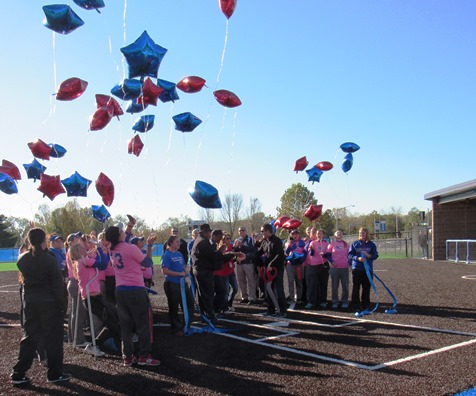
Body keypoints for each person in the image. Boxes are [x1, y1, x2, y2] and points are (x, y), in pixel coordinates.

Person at [11, 228, 71, 385]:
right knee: (53, 340)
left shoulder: (23, 259)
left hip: (31, 302)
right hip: (49, 303)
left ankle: (18, 372)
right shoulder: (49, 259)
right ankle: (54, 374)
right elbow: (58, 286)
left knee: (29, 338)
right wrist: (63, 305)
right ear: (44, 241)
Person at [106, 224, 160, 367]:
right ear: (119, 235)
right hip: (135, 289)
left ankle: (128, 357)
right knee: (143, 324)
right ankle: (144, 355)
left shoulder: (113, 249)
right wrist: (148, 246)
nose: (124, 231)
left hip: (120, 290)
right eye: (122, 230)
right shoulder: (130, 248)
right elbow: (147, 263)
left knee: (125, 326)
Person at [191, 224, 237, 324]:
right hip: (204, 271)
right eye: (209, 232)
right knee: (208, 294)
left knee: (204, 294)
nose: (209, 234)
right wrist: (222, 252)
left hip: (202, 270)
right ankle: (210, 315)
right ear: (205, 233)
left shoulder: (201, 241)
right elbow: (213, 257)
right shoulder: (203, 242)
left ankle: (206, 315)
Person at [161, 235, 195, 336]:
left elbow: (183, 265)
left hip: (182, 283)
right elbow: (164, 271)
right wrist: (179, 274)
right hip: (172, 284)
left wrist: (186, 270)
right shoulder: (166, 255)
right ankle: (175, 328)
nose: (179, 243)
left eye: (179, 242)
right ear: (170, 243)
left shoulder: (179, 254)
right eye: (176, 242)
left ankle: (186, 324)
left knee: (189, 303)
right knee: (174, 307)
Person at [256, 223, 287, 317]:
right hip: (268, 270)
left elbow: (280, 254)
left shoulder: (277, 241)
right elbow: (259, 253)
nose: (262, 233)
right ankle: (271, 310)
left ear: (268, 231)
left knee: (278, 289)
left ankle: (282, 311)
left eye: (263, 231)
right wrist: (246, 256)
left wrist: (271, 264)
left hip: (277, 268)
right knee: (268, 289)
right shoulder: (264, 241)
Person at [348, 227, 379, 313]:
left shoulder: (371, 244)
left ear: (367, 234)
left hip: (367, 270)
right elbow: (350, 255)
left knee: (366, 288)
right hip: (357, 269)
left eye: (363, 233)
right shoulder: (355, 244)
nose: (362, 234)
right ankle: (355, 305)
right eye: (360, 233)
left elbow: (375, 255)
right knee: (356, 288)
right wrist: (357, 258)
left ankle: (365, 305)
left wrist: (368, 255)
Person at [305, 229, 330, 309]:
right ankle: (311, 302)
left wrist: (325, 254)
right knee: (313, 284)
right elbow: (311, 253)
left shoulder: (326, 243)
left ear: (324, 235)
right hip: (313, 265)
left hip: (323, 265)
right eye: (317, 234)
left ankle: (322, 301)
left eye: (320, 233)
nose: (319, 235)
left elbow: (329, 254)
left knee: (323, 284)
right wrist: (311, 250)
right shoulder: (313, 243)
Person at [234, 226, 257, 304]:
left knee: (251, 280)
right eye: (240, 231)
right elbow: (235, 251)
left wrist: (242, 246)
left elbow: (253, 251)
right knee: (241, 281)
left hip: (248, 263)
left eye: (243, 230)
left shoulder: (250, 239)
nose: (241, 232)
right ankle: (244, 297)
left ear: (246, 231)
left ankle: (252, 297)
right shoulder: (237, 240)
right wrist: (236, 247)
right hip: (240, 263)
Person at [327, 230, 350, 309]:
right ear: (334, 235)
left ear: (342, 235)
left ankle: (345, 301)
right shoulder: (331, 245)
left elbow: (349, 256)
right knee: (334, 286)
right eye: (337, 233)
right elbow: (328, 255)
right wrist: (332, 261)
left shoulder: (346, 245)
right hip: (334, 268)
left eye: (340, 233)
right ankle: (335, 301)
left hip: (344, 268)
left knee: (345, 286)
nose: (339, 234)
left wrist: (349, 265)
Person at [284, 229, 307, 306]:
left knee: (299, 281)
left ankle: (299, 298)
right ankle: (291, 297)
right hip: (290, 264)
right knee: (290, 281)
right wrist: (289, 246)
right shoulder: (288, 243)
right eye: (293, 234)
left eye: (296, 234)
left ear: (299, 235)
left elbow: (305, 252)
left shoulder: (302, 242)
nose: (295, 235)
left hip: (299, 264)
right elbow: (286, 253)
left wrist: (301, 260)